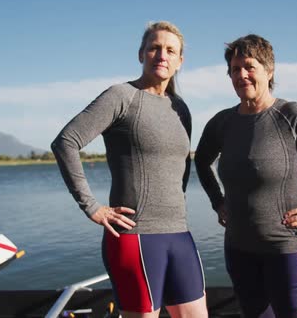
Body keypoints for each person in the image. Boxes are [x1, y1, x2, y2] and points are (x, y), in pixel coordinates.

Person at [194, 34, 297, 318]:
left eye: (249, 67)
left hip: (288, 249)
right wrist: (217, 201)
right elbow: (201, 160)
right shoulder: (222, 122)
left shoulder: (291, 114)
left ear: (269, 71)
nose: (241, 75)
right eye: (234, 69)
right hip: (238, 249)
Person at [51, 21, 208, 318]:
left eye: (170, 50)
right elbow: (65, 142)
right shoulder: (121, 96)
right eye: (154, 48)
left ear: (180, 61)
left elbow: (181, 167)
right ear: (141, 54)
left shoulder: (180, 108)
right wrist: (92, 207)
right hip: (135, 237)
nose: (162, 55)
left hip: (179, 233)